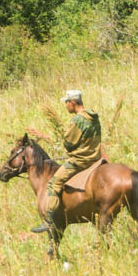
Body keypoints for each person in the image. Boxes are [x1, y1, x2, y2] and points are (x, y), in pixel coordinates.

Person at [33, 89, 102, 235]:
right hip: (95, 158)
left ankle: (49, 220)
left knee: (53, 183)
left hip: (81, 160)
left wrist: (73, 148)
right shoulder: (93, 116)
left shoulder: (77, 120)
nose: (66, 105)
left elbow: (69, 143)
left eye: (66, 102)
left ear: (72, 102)